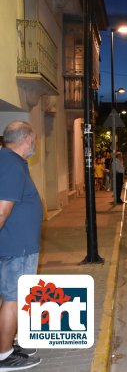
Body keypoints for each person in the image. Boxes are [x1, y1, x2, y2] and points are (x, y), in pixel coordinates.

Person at [0, 121, 43, 370]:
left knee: (12, 297)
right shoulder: (11, 165)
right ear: (26, 139)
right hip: (17, 248)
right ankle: (4, 355)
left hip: (17, 245)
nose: (34, 144)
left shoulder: (8, 161)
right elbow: (2, 210)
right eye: (34, 139)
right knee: (12, 299)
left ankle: (7, 343)